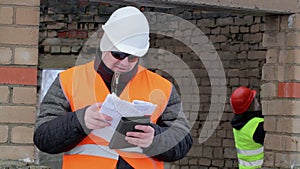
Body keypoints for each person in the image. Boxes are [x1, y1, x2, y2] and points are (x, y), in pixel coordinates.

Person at [33, 6, 193, 169]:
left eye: (132, 57)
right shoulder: (68, 81)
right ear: (104, 41)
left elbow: (183, 141)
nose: (123, 63)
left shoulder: (162, 87)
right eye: (118, 54)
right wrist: (79, 121)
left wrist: (155, 139)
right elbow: (43, 138)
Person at [230, 86, 265, 169]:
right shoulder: (257, 125)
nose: (257, 102)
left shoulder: (237, 124)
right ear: (250, 105)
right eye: (254, 99)